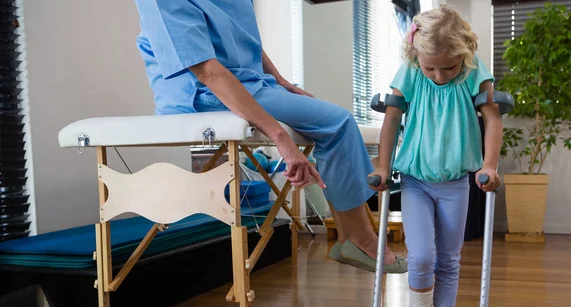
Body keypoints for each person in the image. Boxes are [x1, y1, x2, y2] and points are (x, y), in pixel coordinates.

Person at [132, 0, 406, 273]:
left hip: (247, 82)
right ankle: (362, 240)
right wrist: (279, 136)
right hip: (201, 92)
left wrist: (282, 82)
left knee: (335, 121)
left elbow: (246, 40)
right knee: (338, 122)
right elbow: (207, 72)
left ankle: (352, 238)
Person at [368, 5, 503, 307]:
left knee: (448, 261)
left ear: (465, 53)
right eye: (431, 68)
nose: (440, 76)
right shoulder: (411, 72)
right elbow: (392, 119)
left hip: (456, 182)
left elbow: (492, 120)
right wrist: (383, 166)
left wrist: (489, 164)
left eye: (449, 67)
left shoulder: (475, 74)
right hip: (414, 181)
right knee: (422, 256)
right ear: (416, 55)